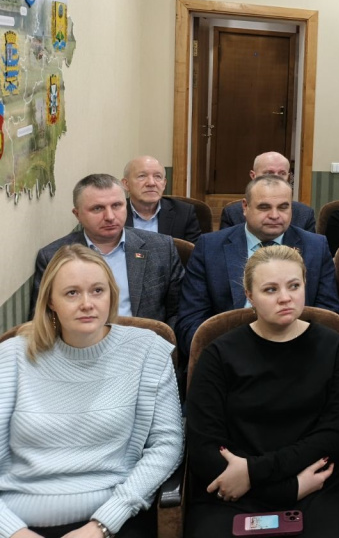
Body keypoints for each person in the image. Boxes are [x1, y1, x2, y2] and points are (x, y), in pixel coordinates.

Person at [0, 244, 183, 538]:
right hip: (17, 519)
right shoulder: (11, 356)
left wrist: (103, 524)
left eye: (97, 291)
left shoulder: (147, 350)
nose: (87, 303)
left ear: (111, 294)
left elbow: (167, 445)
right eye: (72, 293)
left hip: (113, 516)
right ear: (50, 301)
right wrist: (13, 531)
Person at [185, 245, 339, 535]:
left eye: (294, 286)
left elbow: (333, 434)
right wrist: (284, 489)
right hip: (233, 490)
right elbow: (204, 445)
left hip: (314, 482)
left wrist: (255, 472)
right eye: (270, 290)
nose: (285, 298)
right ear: (249, 296)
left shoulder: (334, 346)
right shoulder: (218, 353)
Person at [177, 175, 339, 357]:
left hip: (298, 354)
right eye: (264, 207)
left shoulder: (316, 247)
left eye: (283, 207)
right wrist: (222, 355)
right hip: (227, 356)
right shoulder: (209, 247)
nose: (274, 215)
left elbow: (328, 315)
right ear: (245, 207)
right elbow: (191, 320)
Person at [31, 173, 185, 329]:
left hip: (145, 340)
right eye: (97, 208)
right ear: (77, 215)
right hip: (80, 340)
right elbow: (42, 318)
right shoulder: (53, 256)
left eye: (117, 205)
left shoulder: (161, 247)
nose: (110, 216)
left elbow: (178, 311)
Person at [219, 152, 316, 232]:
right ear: (253, 176)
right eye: (269, 173)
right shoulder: (232, 213)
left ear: (288, 177)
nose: (276, 178)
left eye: (282, 173)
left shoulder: (305, 214)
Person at [122, 155, 201, 242]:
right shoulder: (114, 213)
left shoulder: (184, 213)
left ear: (164, 184)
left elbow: (193, 250)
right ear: (126, 184)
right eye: (142, 176)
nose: (151, 183)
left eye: (157, 176)